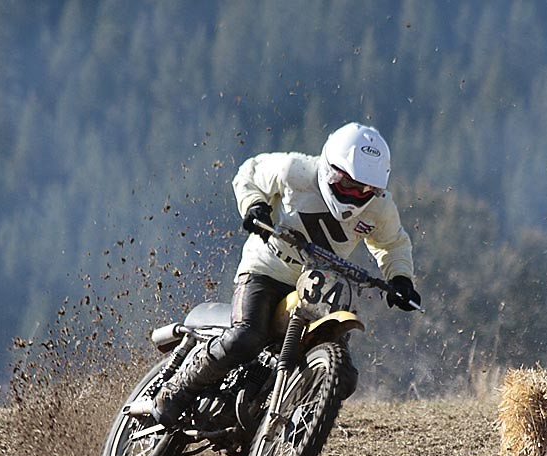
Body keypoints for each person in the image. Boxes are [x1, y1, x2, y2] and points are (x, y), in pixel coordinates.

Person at [153, 121, 421, 423]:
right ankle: (176, 390)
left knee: (343, 375)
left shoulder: (380, 209)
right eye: (347, 184)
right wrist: (254, 205)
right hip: (265, 271)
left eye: (365, 190)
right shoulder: (294, 171)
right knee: (246, 336)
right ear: (329, 168)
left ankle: (280, 433)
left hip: (317, 288)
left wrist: (400, 278)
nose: (354, 195)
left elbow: (393, 244)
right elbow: (249, 173)